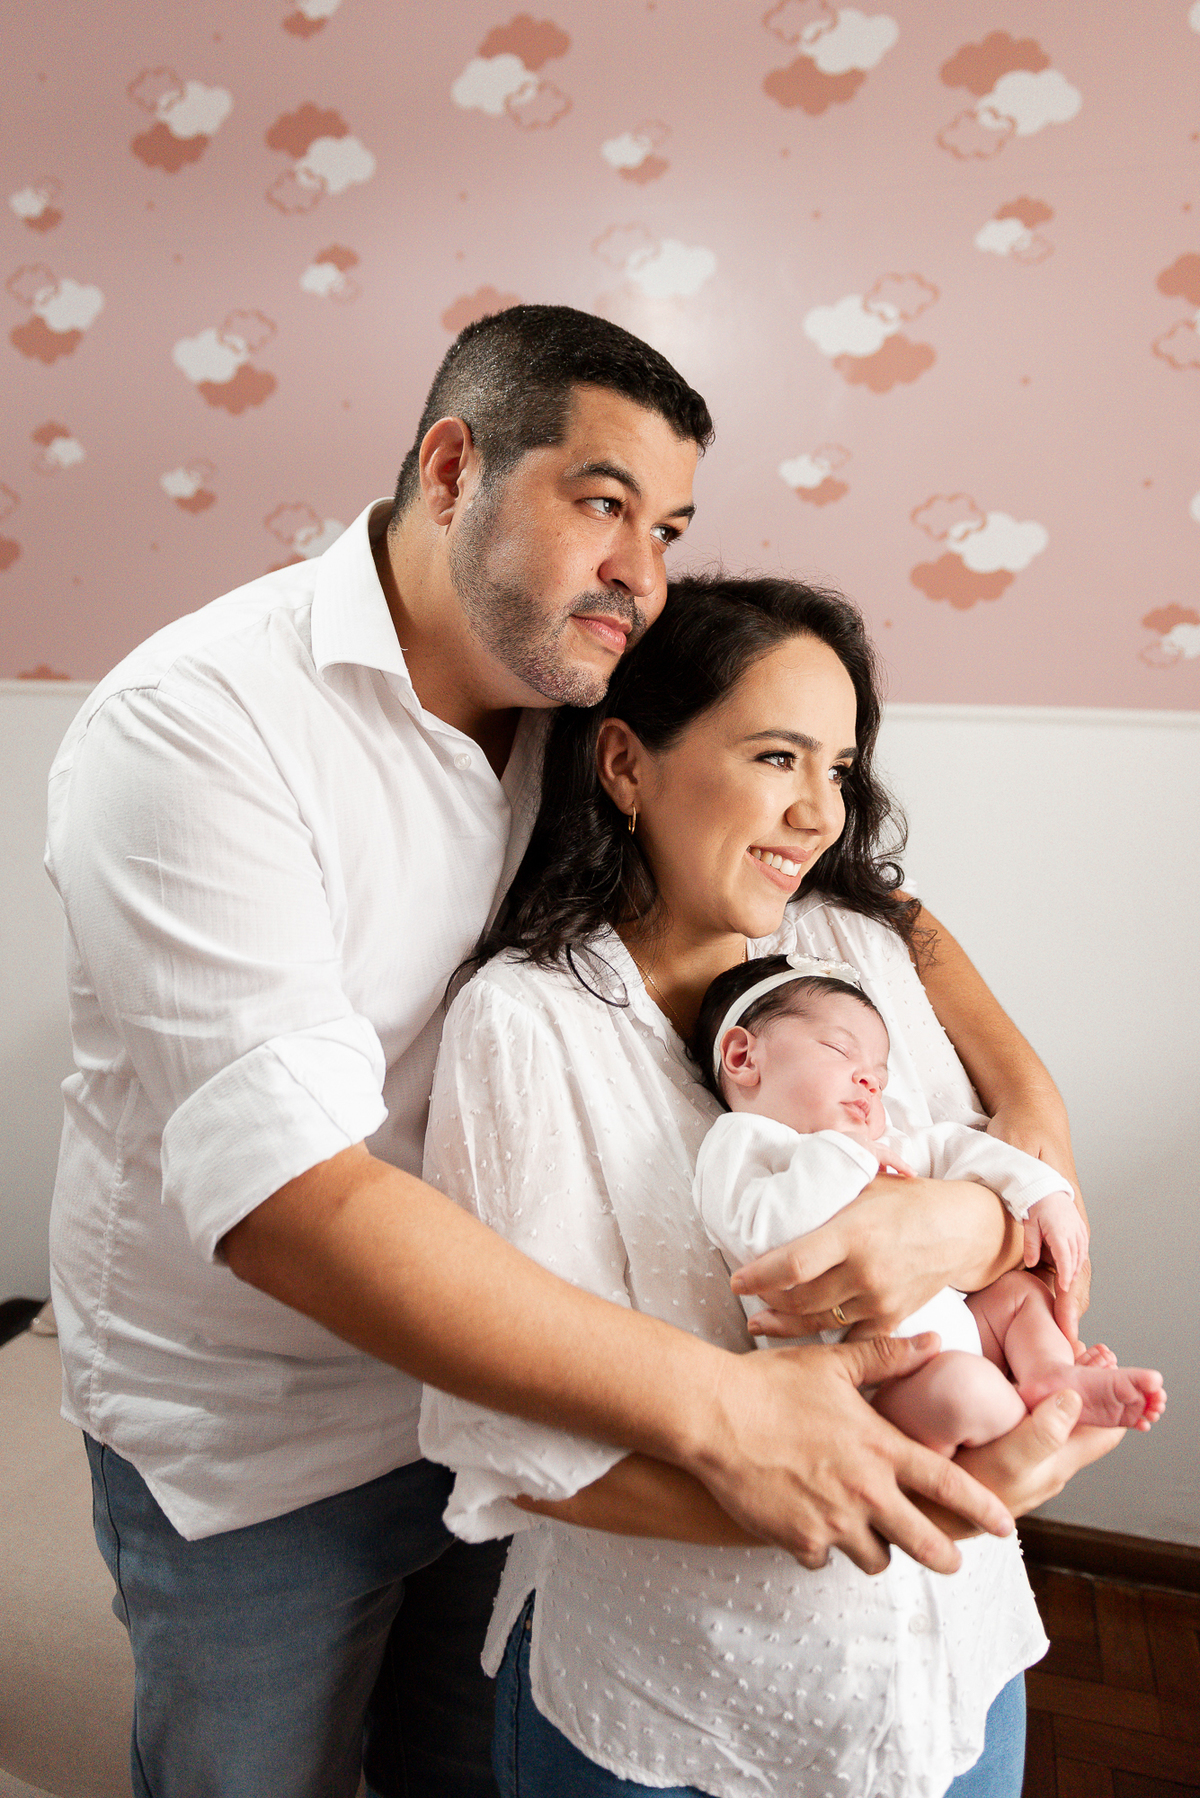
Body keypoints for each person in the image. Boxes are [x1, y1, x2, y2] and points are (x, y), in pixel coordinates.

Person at [46, 304, 1093, 1798]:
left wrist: (1023, 1130)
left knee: (468, 1759)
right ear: (453, 469)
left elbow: (862, 896)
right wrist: (726, 1411)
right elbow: (291, 1200)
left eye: (666, 527)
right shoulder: (199, 727)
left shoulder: (577, 683)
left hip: (548, 1382)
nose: (640, 574)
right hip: (265, 1423)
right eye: (602, 503)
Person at [418, 572, 1124, 1798]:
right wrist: (906, 1497)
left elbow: (1017, 1185)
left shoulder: (858, 946)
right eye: (776, 756)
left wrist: (967, 1227)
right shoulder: (528, 1026)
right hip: (673, 1708)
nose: (817, 810)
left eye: (838, 767)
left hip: (948, 1678)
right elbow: (511, 1440)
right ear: (626, 764)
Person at [692, 956, 1165, 1453]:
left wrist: (1043, 1192)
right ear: (743, 1057)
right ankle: (1013, 1412)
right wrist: (843, 1154)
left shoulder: (885, 1142)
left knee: (1020, 1294)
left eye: (879, 1078)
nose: (869, 1082)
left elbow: (960, 1148)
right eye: (839, 1050)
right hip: (872, 1379)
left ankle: (1050, 1374)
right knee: (967, 1392)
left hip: (960, 1330)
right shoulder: (742, 1140)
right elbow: (758, 1232)